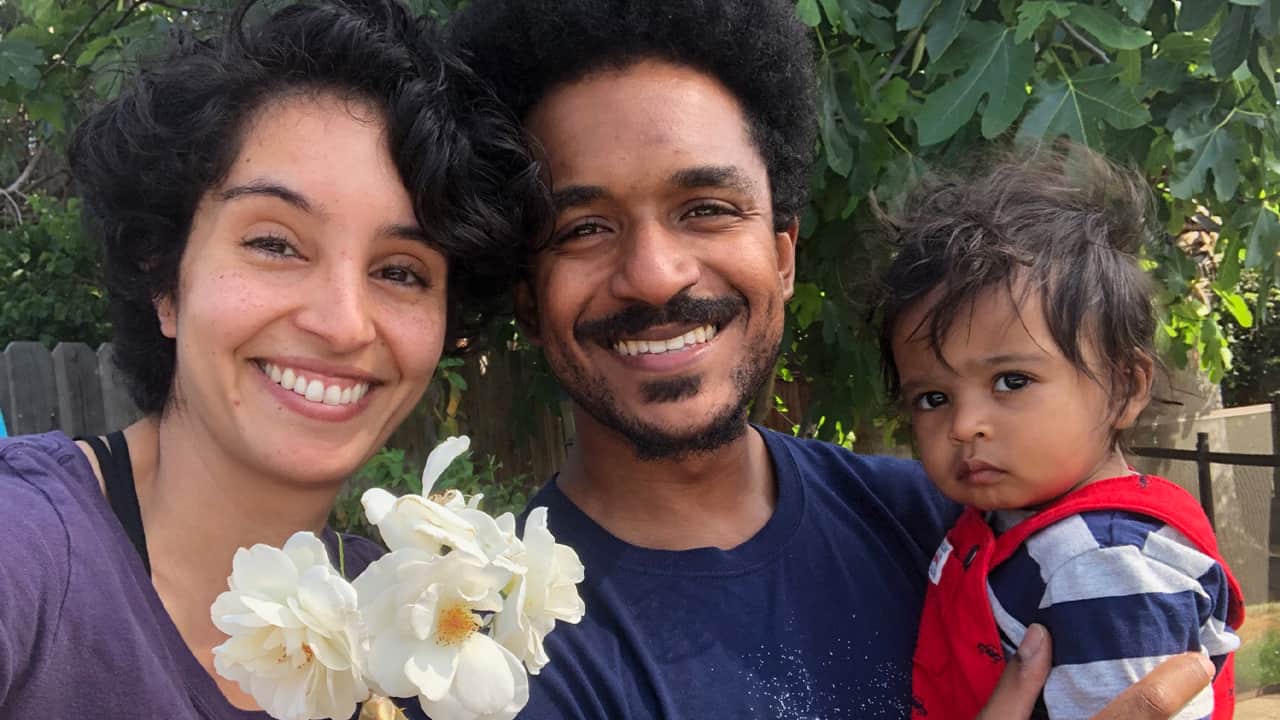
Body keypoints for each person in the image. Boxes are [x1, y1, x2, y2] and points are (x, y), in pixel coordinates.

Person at [451, 1, 1217, 718]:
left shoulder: (959, 527)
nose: (655, 274)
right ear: (528, 296)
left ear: (783, 255)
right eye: (583, 228)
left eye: (707, 209)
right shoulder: (489, 660)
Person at [0, 0, 545, 717]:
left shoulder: (414, 630)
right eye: (275, 244)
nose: (343, 325)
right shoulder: (27, 544)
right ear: (163, 277)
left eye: (401, 271)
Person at [878, 146, 1243, 720]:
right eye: (933, 398)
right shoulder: (1019, 526)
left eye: (1012, 381)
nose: (964, 425)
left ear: (1124, 387)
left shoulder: (1102, 560)